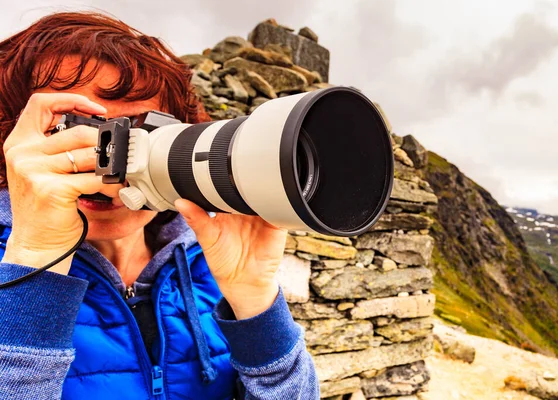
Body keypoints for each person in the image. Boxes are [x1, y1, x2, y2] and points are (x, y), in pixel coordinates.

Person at [0, 11, 320, 399]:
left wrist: (256, 305)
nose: (110, 166)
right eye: (72, 128)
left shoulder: (208, 262)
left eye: (141, 130)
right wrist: (34, 264)